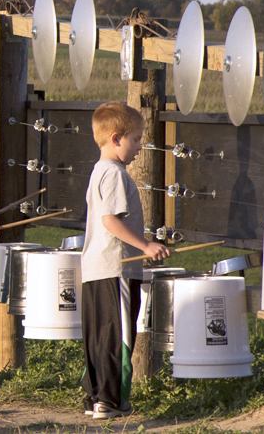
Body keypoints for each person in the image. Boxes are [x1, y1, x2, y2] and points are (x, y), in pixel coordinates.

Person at [80, 102, 171, 419]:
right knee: (119, 336)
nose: (140, 146)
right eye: (136, 138)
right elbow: (110, 221)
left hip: (95, 269)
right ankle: (111, 400)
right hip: (115, 268)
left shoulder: (98, 171)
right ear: (116, 138)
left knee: (98, 336)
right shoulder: (116, 174)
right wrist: (146, 245)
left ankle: (96, 397)